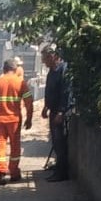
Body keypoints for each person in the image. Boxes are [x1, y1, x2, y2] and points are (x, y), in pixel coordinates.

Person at [0, 57, 33, 184]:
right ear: (15, 70)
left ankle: (1, 173)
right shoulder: (20, 82)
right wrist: (29, 118)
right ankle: (14, 173)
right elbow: (29, 102)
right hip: (14, 120)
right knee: (15, 146)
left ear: (4, 69)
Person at [41, 45, 72, 181]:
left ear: (53, 56)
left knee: (60, 142)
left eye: (45, 58)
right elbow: (50, 90)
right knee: (56, 141)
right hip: (53, 110)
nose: (43, 61)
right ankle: (58, 168)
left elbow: (66, 92)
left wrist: (61, 112)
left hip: (61, 112)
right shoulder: (52, 71)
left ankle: (62, 172)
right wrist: (46, 106)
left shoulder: (63, 70)